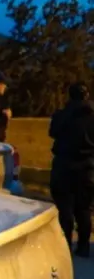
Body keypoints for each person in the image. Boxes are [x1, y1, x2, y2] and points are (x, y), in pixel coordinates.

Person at [49, 82, 94, 256]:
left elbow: (53, 132)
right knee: (84, 209)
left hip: (64, 165)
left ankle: (65, 244)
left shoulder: (62, 115)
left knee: (65, 208)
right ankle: (83, 246)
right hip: (88, 167)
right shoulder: (92, 116)